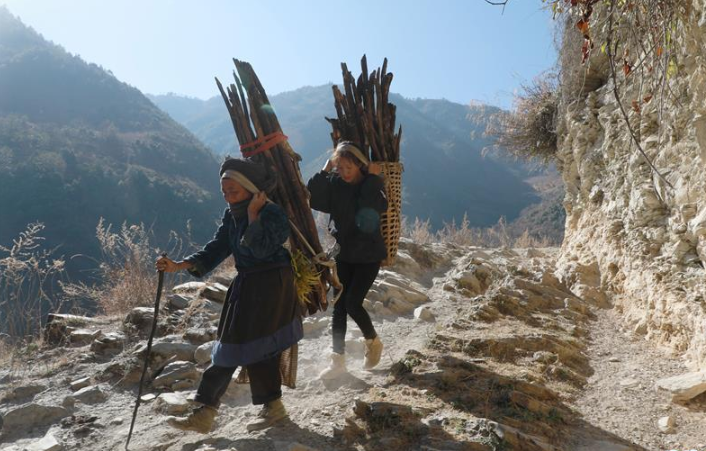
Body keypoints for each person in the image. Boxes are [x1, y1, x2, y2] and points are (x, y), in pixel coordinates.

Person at [156, 158, 303, 433]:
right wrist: (179, 265)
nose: (228, 196)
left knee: (241, 345)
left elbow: (260, 249)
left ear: (250, 189)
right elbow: (218, 247)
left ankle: (207, 412)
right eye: (224, 192)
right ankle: (269, 409)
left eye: (233, 191)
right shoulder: (232, 214)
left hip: (272, 286)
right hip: (248, 284)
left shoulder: (272, 213)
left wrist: (253, 216)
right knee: (249, 346)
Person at [307, 141, 387, 379]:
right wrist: (324, 170)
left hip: (368, 255)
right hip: (344, 253)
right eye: (339, 167)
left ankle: (372, 342)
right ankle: (337, 361)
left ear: (360, 165)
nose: (343, 172)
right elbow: (313, 199)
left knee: (352, 303)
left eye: (348, 167)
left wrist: (372, 179)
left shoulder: (372, 185)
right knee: (339, 305)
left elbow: (368, 210)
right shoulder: (336, 184)